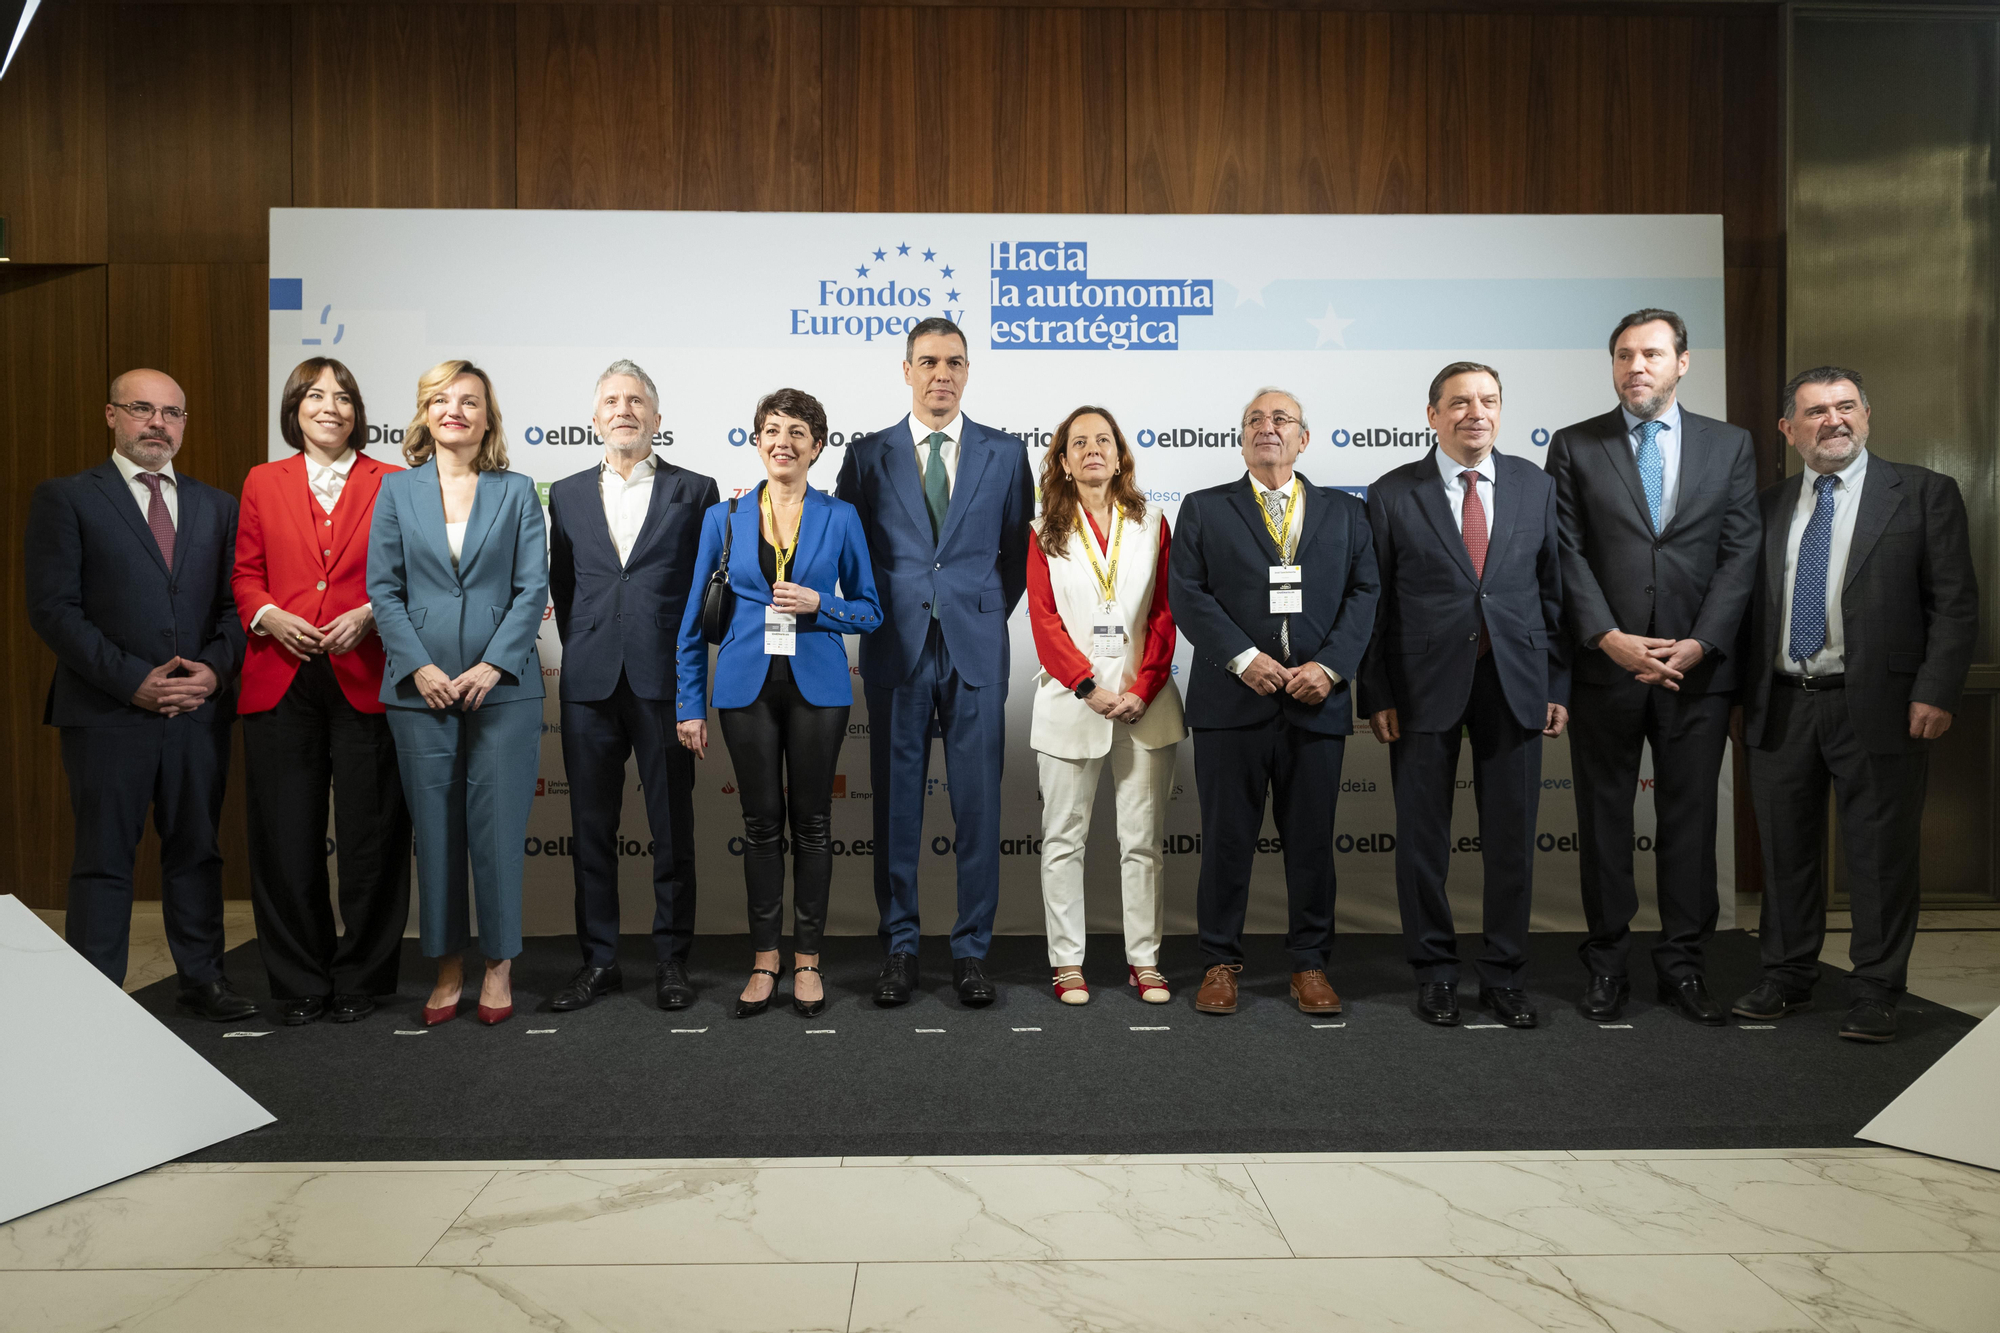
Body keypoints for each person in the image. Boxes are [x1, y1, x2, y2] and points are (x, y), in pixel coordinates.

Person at [1734, 367, 1978, 1043]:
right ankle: (1786, 973)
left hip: (1883, 704)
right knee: (1786, 853)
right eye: (1815, 412)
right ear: (1789, 430)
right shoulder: (1765, 506)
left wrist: (1935, 689)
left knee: (1880, 854)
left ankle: (1875, 988)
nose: (1832, 420)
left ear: (1867, 415)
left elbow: (1955, 603)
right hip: (1782, 705)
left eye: (1845, 407)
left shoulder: (1925, 494)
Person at [1547, 308, 1760, 1025]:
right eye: (1623, 355)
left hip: (1695, 672)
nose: (1636, 366)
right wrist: (1607, 635)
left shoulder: (1730, 446)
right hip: (1606, 669)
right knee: (1604, 823)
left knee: (1689, 825)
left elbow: (1739, 555)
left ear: (1683, 362)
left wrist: (1701, 642)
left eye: (1651, 353)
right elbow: (1565, 553)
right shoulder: (1576, 446)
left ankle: (1683, 966)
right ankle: (1606, 965)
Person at [25, 369, 252, 1019]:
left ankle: (203, 978)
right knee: (103, 857)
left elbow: (237, 610)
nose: (158, 423)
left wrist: (213, 670)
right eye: (142, 409)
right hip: (106, 711)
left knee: (196, 849)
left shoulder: (217, 506)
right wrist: (133, 680)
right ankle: (95, 996)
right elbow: (54, 611)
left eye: (172, 413)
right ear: (111, 415)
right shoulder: (66, 498)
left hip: (196, 714)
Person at [1358, 363, 1568, 1029]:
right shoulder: (1392, 492)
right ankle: (1436, 972)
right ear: (1432, 414)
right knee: (1424, 838)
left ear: (1501, 411)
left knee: (1511, 838)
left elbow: (1552, 590)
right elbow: (1375, 601)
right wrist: (1378, 690)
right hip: (1421, 688)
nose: (1475, 412)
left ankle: (1505, 974)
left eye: (1488, 401)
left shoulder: (1537, 486)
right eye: (1458, 402)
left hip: (1516, 680)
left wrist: (1557, 681)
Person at [835, 318, 1033, 1008]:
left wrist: (972, 608)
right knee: (895, 808)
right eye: (927, 361)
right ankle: (901, 946)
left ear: (968, 371)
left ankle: (972, 950)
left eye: (953, 362)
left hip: (976, 648)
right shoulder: (867, 456)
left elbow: (1015, 555)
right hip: (896, 646)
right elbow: (850, 555)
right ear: (906, 369)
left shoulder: (1006, 454)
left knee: (978, 807)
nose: (940, 374)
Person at [1168, 387, 1379, 1016]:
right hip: (1231, 703)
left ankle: (1310, 964)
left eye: (1281, 419)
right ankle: (1218, 962)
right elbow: (1188, 594)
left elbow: (1365, 594)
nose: (1267, 427)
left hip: (1316, 703)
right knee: (1227, 840)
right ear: (1241, 438)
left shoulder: (1347, 513)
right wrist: (1244, 659)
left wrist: (1333, 668)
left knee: (1312, 843)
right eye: (1254, 420)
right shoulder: (1204, 509)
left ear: (1303, 439)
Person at [677, 389, 881, 1017]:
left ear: (817, 447)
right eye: (772, 429)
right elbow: (692, 623)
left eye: (798, 431)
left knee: (814, 824)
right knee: (761, 826)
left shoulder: (840, 516)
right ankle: (765, 960)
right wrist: (690, 704)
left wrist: (825, 605)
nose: (783, 441)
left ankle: (809, 960)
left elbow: (870, 611)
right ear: (756, 441)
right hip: (744, 686)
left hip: (818, 687)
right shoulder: (725, 516)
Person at [367, 360, 548, 1027]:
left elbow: (533, 588)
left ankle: (499, 964)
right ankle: (446, 965)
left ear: (487, 417)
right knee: (436, 834)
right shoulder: (395, 492)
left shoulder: (518, 490)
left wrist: (493, 665)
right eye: (442, 399)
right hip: (420, 691)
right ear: (424, 414)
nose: (456, 411)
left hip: (504, 690)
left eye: (470, 401)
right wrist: (416, 665)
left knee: (497, 832)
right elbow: (383, 589)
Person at [232, 357, 411, 1026]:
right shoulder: (262, 481)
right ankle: (300, 980)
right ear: (294, 408)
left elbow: (408, 573)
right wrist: (268, 614)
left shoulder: (392, 482)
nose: (330, 406)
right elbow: (245, 572)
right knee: (287, 836)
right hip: (281, 675)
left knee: (372, 836)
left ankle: (362, 977)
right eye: (315, 394)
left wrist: (368, 613)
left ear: (358, 410)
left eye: (343, 396)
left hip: (366, 671)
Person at [546, 360, 718, 1013]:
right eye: (612, 401)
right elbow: (565, 589)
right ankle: (599, 961)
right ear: (595, 418)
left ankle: (671, 961)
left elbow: (706, 590)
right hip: (589, 682)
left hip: (665, 682)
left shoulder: (695, 491)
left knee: (672, 829)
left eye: (636, 400)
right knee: (591, 828)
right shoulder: (563, 494)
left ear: (656, 417)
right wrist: (590, 640)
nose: (624, 409)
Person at [1026, 405, 1184, 1006]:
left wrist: (1143, 686)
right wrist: (1089, 688)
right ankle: (1067, 962)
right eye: (1079, 443)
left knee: (1142, 841)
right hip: (1074, 705)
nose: (1093, 450)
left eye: (1104, 441)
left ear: (1120, 456)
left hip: (1147, 706)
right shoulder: (1043, 533)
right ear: (1063, 462)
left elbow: (1166, 611)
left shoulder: (1153, 522)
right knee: (1063, 840)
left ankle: (1145, 959)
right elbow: (1043, 621)